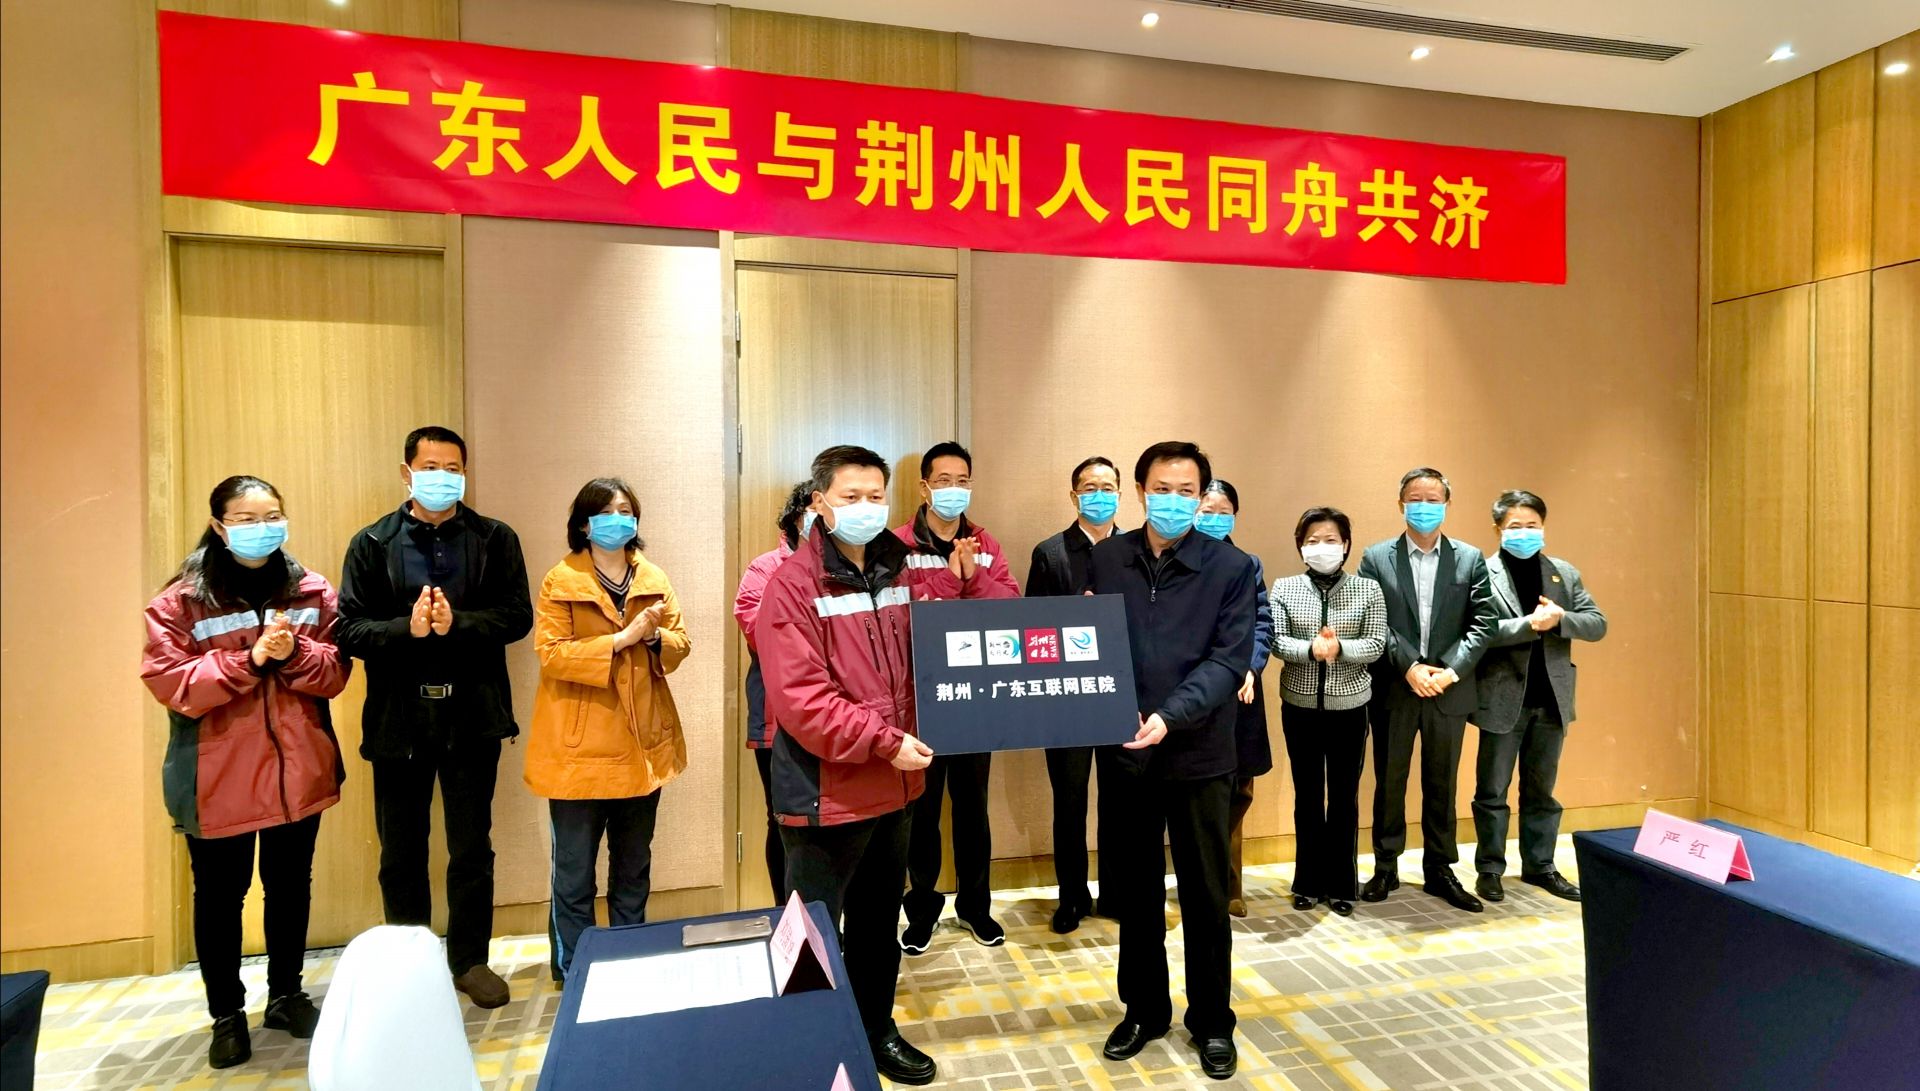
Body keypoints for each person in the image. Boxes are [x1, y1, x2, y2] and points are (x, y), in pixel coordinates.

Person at [140, 475, 350, 1068]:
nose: (264, 528)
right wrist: (250, 660)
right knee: (219, 898)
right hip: (217, 778)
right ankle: (226, 1015)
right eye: (247, 518)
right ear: (219, 526)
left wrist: (295, 653)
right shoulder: (179, 602)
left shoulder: (311, 590)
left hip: (298, 771)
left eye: (272, 516)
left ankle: (286, 995)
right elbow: (173, 684)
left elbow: (335, 673)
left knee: (290, 888)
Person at [757, 445, 939, 1086]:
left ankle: (874, 1030)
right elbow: (803, 701)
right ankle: (806, 1046)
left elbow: (937, 658)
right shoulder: (792, 584)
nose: (866, 508)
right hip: (826, 791)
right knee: (810, 933)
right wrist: (885, 741)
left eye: (876, 496)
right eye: (851, 497)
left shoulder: (904, 570)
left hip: (896, 785)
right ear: (820, 503)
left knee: (877, 923)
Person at [336, 426, 532, 1009]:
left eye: (453, 468)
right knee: (402, 851)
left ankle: (470, 960)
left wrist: (458, 623)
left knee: (472, 847)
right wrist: (409, 629)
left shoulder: (495, 538)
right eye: (430, 466)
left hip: (473, 716)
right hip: (398, 721)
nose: (442, 476)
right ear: (407, 473)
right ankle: (412, 967)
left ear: (464, 474)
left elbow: (517, 616)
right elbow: (349, 629)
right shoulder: (372, 543)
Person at [1092, 441, 1257, 1081]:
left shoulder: (1231, 567)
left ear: (1202, 496)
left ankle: (1212, 1020)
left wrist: (1170, 715)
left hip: (1199, 753)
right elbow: (1089, 644)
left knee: (1205, 895)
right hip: (1126, 752)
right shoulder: (1108, 559)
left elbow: (1229, 659)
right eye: (1161, 488)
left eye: (1187, 491)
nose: (1173, 500)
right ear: (1140, 491)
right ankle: (1144, 1010)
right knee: (1135, 894)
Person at [527, 478, 691, 983]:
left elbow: (680, 643)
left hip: (643, 745)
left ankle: (629, 956)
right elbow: (552, 655)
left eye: (627, 511)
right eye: (607, 512)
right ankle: (576, 969)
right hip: (578, 751)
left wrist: (656, 638)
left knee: (633, 865)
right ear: (584, 524)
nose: (619, 520)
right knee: (574, 872)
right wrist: (623, 639)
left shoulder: (653, 577)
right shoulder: (561, 580)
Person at [894, 441, 1021, 954]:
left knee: (973, 810)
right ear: (924, 487)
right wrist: (952, 579)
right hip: (919, 702)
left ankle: (976, 908)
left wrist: (976, 576)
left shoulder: (985, 542)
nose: (954, 489)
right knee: (921, 814)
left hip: (975, 701)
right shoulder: (896, 544)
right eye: (943, 480)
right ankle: (921, 912)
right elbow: (900, 617)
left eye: (962, 480)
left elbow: (1010, 607)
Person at [1356, 467, 1495, 913]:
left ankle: (1439, 868)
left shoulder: (1469, 558)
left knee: (1442, 782)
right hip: (1396, 688)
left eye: (1433, 499)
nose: (1423, 506)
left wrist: (1450, 671)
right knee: (1389, 780)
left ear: (1447, 504)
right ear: (1400, 504)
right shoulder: (1376, 558)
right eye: (1415, 498)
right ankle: (1385, 865)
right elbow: (1371, 618)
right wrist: (1409, 666)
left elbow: (1484, 622)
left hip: (1449, 690)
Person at [1470, 490, 1608, 904]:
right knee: (1492, 791)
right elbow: (1478, 631)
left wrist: (1561, 618)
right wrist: (1529, 624)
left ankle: (1540, 866)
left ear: (1544, 527)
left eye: (1532, 525)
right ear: (1498, 528)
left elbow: (1597, 623)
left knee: (1542, 791)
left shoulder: (1562, 572)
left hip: (1552, 700)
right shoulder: (1482, 572)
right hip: (1501, 699)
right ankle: (1490, 869)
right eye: (1515, 526)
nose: (1524, 532)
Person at [1268, 507, 1387, 917]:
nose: (1322, 547)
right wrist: (1310, 649)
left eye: (1331, 540)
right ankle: (1307, 882)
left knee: (1343, 798)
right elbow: (1276, 640)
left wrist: (1339, 648)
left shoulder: (1367, 590)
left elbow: (1376, 643)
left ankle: (1342, 883)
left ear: (1346, 545)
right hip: (1299, 707)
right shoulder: (1285, 588)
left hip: (1350, 709)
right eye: (1313, 540)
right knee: (1306, 797)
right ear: (1301, 546)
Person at [1025, 455, 1122, 933]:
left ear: (1121, 494)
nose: (1099, 495)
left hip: (1122, 695)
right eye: (1089, 487)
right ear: (1073, 495)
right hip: (1066, 698)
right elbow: (1030, 631)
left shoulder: (1136, 550)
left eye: (1107, 487)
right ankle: (1072, 897)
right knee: (1069, 802)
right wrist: (1074, 618)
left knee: (1122, 801)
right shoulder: (1051, 553)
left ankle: (1117, 893)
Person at [733, 481, 816, 904]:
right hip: (776, 719)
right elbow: (758, 631)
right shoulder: (765, 568)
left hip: (839, 719)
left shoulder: (853, 567)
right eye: (813, 510)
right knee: (782, 819)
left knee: (839, 823)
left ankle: (827, 920)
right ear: (796, 518)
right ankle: (786, 918)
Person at [1194, 480, 1274, 919]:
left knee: (1237, 791)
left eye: (1223, 511)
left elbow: (1262, 623)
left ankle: (1230, 886)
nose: (1214, 519)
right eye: (1206, 510)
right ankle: (1195, 882)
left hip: (1239, 691)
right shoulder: (1173, 558)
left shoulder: (1247, 563)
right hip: (1190, 694)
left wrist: (1250, 666)